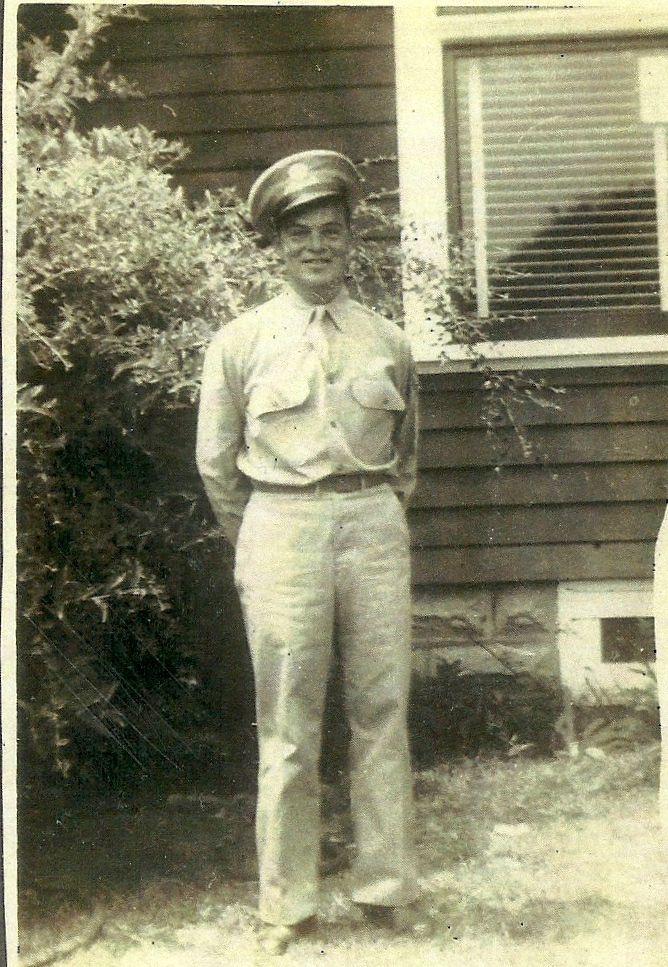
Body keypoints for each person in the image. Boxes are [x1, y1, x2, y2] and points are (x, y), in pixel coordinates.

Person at [196, 150, 421, 954]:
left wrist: (370, 515)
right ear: (277, 246)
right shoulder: (241, 341)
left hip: (371, 523)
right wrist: (264, 534)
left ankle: (387, 887)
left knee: (382, 709)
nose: (317, 247)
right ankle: (287, 903)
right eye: (300, 235)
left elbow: (406, 458)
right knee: (289, 723)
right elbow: (216, 463)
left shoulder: (388, 341)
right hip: (281, 526)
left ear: (351, 240)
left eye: (331, 231)